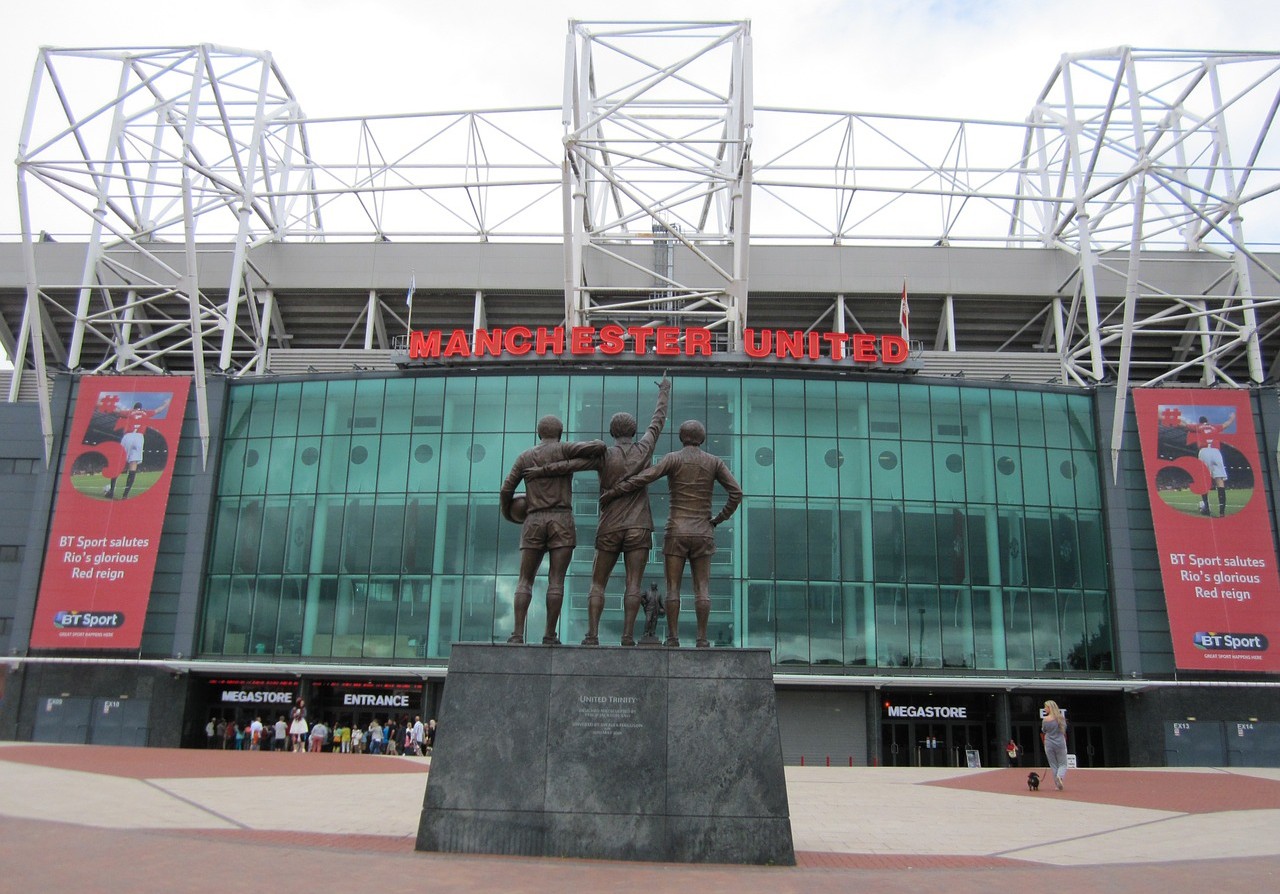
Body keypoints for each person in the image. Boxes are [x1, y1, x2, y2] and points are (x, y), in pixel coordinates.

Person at [525, 377, 671, 645]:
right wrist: (664, 391)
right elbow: (658, 421)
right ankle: (627, 637)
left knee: (598, 583)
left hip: (609, 526)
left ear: (612, 432)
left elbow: (569, 465)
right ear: (634, 430)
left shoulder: (604, 455)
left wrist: (540, 470)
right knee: (634, 584)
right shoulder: (644, 447)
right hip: (639, 525)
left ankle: (592, 635)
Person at [600, 419, 743, 648]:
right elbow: (736, 492)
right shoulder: (714, 462)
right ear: (702, 438)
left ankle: (674, 638)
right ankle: (702, 639)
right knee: (702, 588)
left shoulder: (673, 458)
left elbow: (646, 477)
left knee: (673, 587)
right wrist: (718, 518)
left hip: (676, 530)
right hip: (703, 531)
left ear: (681, 437)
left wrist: (615, 491)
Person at [498, 416, 606, 644]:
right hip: (561, 519)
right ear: (559, 433)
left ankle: (518, 634)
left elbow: (506, 489)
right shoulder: (565, 449)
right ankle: (549, 634)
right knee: (556, 580)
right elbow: (599, 447)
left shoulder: (525, 457)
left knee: (525, 579)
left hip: (533, 519)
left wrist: (509, 514)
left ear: (539, 434)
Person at [102, 395, 172, 500]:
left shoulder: (129, 412)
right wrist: (167, 403)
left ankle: (111, 492)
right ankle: (125, 495)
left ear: (134, 408)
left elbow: (116, 410)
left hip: (128, 436)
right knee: (133, 465)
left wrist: (106, 404)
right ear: (141, 408)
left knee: (118, 463)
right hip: (139, 438)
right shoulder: (146, 413)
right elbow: (159, 410)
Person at [1182, 410, 1236, 517]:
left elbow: (1183, 425)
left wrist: (1173, 418)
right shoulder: (1215, 427)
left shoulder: (1198, 427)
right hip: (1216, 452)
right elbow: (1226, 424)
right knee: (1220, 481)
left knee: (1203, 480)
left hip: (1204, 451)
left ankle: (1206, 508)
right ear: (1208, 421)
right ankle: (1222, 512)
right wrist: (1232, 417)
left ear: (1200, 422)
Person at [1041, 699, 1069, 791]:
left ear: (1050, 708)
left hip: (1049, 742)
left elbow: (1044, 730)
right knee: (1063, 763)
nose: (1045, 709)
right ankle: (1060, 776)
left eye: (1046, 707)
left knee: (1053, 764)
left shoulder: (1045, 719)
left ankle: (1057, 784)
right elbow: (1064, 729)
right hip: (1060, 742)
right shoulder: (1061, 718)